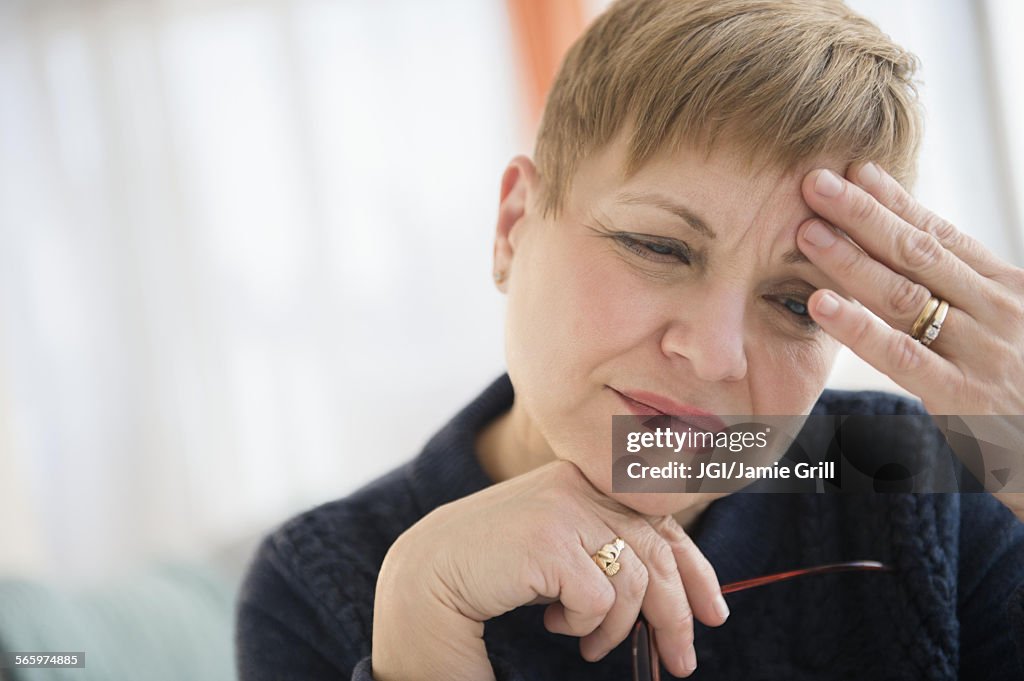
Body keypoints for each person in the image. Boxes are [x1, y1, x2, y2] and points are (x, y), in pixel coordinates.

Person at [235, 0, 1024, 678]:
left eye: (795, 302)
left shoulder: (935, 483)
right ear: (514, 226)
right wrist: (420, 620)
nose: (715, 353)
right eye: (660, 248)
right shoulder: (324, 583)